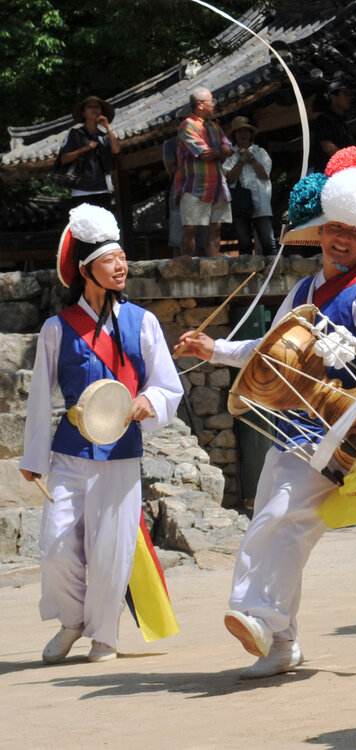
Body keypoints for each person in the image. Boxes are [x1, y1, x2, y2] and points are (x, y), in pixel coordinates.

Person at [174, 147, 356, 678]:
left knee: (279, 516)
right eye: (335, 228)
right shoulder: (304, 290)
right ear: (320, 231)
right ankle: (280, 640)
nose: (342, 239)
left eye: (354, 234)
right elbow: (269, 350)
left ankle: (257, 616)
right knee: (280, 520)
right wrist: (215, 349)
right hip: (298, 427)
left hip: (346, 430)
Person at [20, 204, 183, 664]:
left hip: (121, 453)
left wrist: (147, 402)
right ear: (87, 271)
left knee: (111, 549)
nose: (122, 265)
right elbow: (38, 397)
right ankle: (73, 621)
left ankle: (104, 636)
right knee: (54, 548)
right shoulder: (57, 328)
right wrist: (34, 457)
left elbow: (168, 384)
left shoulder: (143, 322)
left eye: (123, 257)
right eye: (111, 259)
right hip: (69, 453)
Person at [177, 88, 233, 258]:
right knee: (190, 228)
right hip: (195, 185)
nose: (214, 104)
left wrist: (221, 151)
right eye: (211, 101)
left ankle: (213, 263)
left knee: (216, 227)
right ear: (200, 104)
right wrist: (221, 151)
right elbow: (204, 154)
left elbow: (229, 148)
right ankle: (186, 266)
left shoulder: (214, 126)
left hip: (218, 184)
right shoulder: (187, 125)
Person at [222, 116, 275, 256]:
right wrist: (240, 161)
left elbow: (264, 174)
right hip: (240, 205)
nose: (243, 134)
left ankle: (274, 272)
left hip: (261, 202)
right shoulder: (230, 155)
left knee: (268, 243)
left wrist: (250, 159)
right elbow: (229, 179)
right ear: (234, 135)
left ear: (251, 134)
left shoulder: (260, 152)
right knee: (244, 244)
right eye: (239, 131)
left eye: (246, 131)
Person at [57, 95, 121, 211]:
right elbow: (63, 159)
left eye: (97, 107)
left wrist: (108, 128)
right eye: (89, 107)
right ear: (83, 113)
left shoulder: (105, 135)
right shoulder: (74, 134)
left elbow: (116, 150)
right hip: (81, 191)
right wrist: (84, 149)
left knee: (102, 227)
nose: (94, 109)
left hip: (103, 189)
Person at [311, 81, 355, 173]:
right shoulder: (323, 119)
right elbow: (328, 147)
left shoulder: (343, 120)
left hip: (345, 170)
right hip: (330, 173)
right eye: (345, 95)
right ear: (333, 97)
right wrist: (349, 161)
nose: (349, 98)